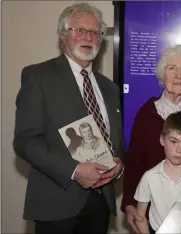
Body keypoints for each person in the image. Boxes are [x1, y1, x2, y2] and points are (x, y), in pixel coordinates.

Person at [13, 3, 124, 234]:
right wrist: (74, 170)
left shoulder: (110, 89)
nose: (88, 37)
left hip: (100, 204)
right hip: (56, 204)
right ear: (64, 35)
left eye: (94, 32)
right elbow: (26, 141)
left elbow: (115, 141)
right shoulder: (38, 76)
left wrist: (118, 165)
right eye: (79, 30)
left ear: (101, 38)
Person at [121, 44, 181, 233]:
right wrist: (130, 203)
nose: (178, 75)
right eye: (172, 68)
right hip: (153, 210)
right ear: (162, 73)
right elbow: (135, 161)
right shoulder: (146, 113)